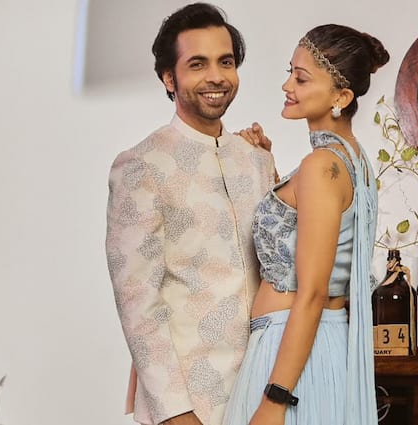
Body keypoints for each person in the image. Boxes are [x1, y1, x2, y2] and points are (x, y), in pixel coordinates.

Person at [105, 3, 275, 425]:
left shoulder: (255, 159)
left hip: (262, 394)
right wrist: (175, 412)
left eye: (226, 62)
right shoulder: (142, 165)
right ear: (169, 78)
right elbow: (138, 302)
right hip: (189, 402)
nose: (216, 76)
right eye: (197, 64)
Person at [221, 24, 389, 425]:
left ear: (341, 97)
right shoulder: (352, 161)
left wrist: (275, 399)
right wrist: (271, 168)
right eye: (290, 73)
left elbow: (312, 293)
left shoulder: (321, 167)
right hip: (319, 347)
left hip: (290, 354)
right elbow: (307, 228)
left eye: (301, 78)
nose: (287, 86)